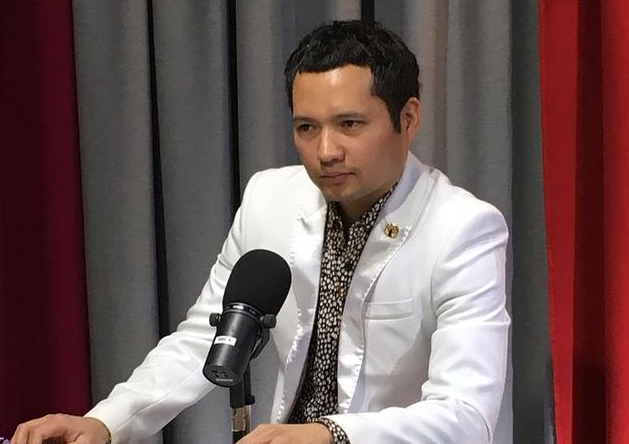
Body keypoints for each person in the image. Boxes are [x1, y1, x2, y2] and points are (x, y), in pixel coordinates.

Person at [11, 20, 509, 444]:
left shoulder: (462, 229)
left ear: (409, 118)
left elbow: (466, 416)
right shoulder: (269, 198)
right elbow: (208, 336)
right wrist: (106, 422)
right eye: (307, 127)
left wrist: (330, 434)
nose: (326, 151)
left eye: (350, 124)